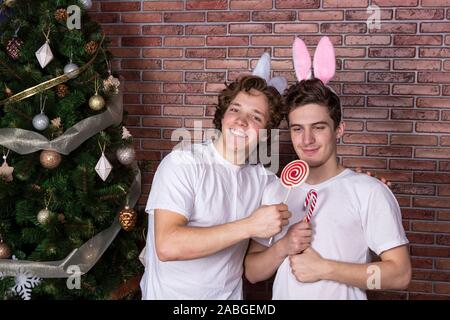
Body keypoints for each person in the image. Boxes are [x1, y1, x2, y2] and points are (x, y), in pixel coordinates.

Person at [244, 37, 411, 300]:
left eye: (319, 127)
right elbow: (253, 272)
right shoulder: (276, 191)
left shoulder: (369, 191)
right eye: (298, 129)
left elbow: (399, 275)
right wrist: (283, 247)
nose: (307, 140)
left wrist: (325, 269)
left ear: (339, 130)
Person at [139, 74, 296, 300]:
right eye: (235, 109)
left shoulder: (264, 181)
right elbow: (168, 245)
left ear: (266, 131)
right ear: (222, 115)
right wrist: (250, 226)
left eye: (256, 117)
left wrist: (352, 181)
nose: (241, 121)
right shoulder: (183, 163)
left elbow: (308, 202)